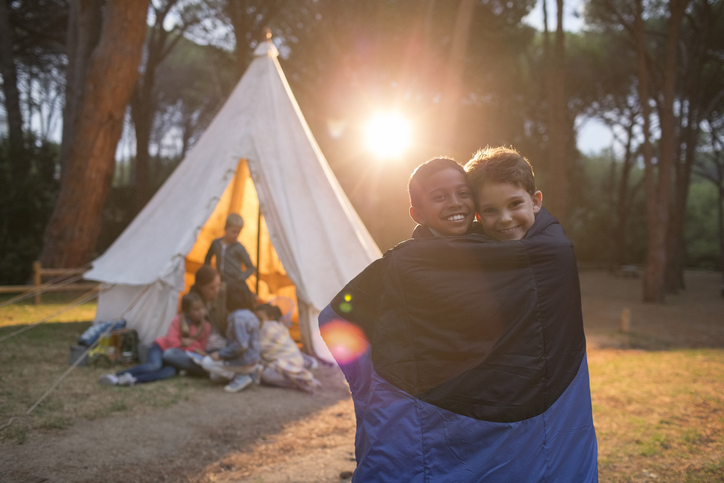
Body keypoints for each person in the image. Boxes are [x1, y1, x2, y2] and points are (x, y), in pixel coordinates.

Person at [318, 151, 598, 481]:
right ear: (416, 213)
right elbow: (334, 318)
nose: (455, 203)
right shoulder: (403, 266)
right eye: (439, 197)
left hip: (521, 418)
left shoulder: (541, 255)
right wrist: (375, 386)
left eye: (463, 194)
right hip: (435, 418)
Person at [99, 292, 211, 386]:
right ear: (187, 312)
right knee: (154, 366)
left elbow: (201, 349)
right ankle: (116, 376)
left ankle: (133, 380)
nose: (201, 312)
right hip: (161, 348)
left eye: (202, 308)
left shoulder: (206, 327)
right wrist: (193, 347)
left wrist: (192, 343)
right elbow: (173, 344)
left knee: (168, 372)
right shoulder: (177, 321)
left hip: (175, 357)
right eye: (196, 310)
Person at [201, 281, 262, 393]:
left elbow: (241, 345)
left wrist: (220, 354)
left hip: (244, 362)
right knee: (214, 377)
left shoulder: (237, 318)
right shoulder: (250, 315)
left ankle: (241, 377)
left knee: (206, 362)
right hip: (254, 360)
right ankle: (251, 373)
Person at [255, 303, 321, 393]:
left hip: (285, 360)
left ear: (271, 317)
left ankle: (295, 381)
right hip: (292, 358)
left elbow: (260, 347)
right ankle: (300, 370)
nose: (257, 322)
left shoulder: (268, 327)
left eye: (260, 319)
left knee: (264, 375)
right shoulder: (279, 326)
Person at [204, 213, 255, 285]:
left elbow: (250, 267)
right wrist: (210, 274)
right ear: (225, 228)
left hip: (233, 284)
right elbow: (207, 258)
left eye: (238, 232)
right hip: (219, 283)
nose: (236, 235)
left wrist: (239, 279)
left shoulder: (239, 248)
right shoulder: (216, 243)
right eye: (234, 232)